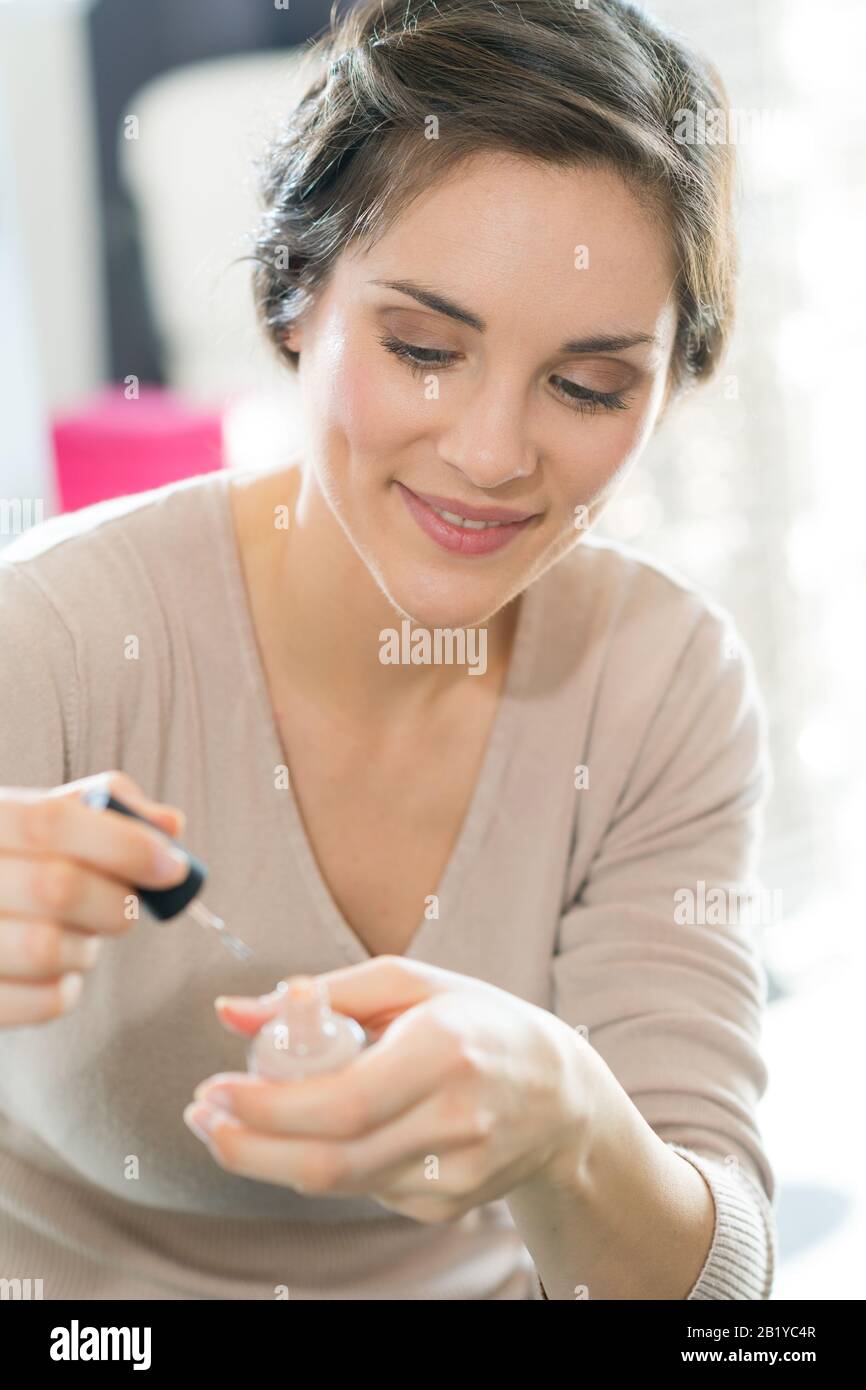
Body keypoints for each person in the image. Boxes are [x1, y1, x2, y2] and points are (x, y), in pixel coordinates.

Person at [0, 0, 776, 1299]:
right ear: (293, 300)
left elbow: (713, 1292)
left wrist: (573, 1124)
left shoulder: (662, 682)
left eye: (587, 385)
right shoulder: (52, 637)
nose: (488, 453)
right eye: (422, 349)